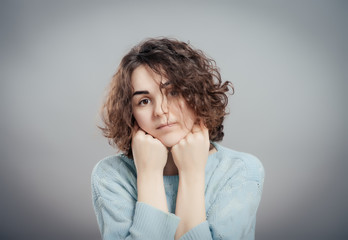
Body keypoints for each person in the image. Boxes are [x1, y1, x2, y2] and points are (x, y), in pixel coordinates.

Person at [91, 38, 264, 240]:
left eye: (173, 92)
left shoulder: (241, 170)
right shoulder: (111, 175)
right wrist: (149, 174)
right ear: (130, 113)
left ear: (196, 94)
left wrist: (191, 173)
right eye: (144, 101)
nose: (161, 111)